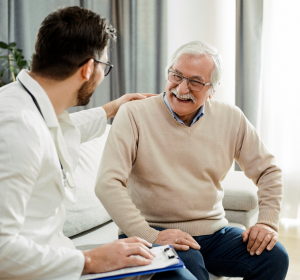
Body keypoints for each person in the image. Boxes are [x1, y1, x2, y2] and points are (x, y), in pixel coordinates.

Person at [0, 6, 196, 280]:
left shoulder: (24, 104)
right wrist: (89, 260)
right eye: (104, 66)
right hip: (44, 270)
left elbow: (58, 131)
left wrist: (112, 108)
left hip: (57, 257)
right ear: (88, 68)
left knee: (170, 268)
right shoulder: (16, 127)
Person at [96, 40, 289, 280]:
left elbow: (268, 171)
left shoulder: (230, 117)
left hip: (213, 235)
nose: (182, 88)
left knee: (275, 257)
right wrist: (150, 235)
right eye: (176, 76)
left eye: (196, 82)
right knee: (190, 271)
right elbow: (107, 183)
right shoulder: (133, 114)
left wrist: (267, 223)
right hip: (151, 234)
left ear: (212, 90)